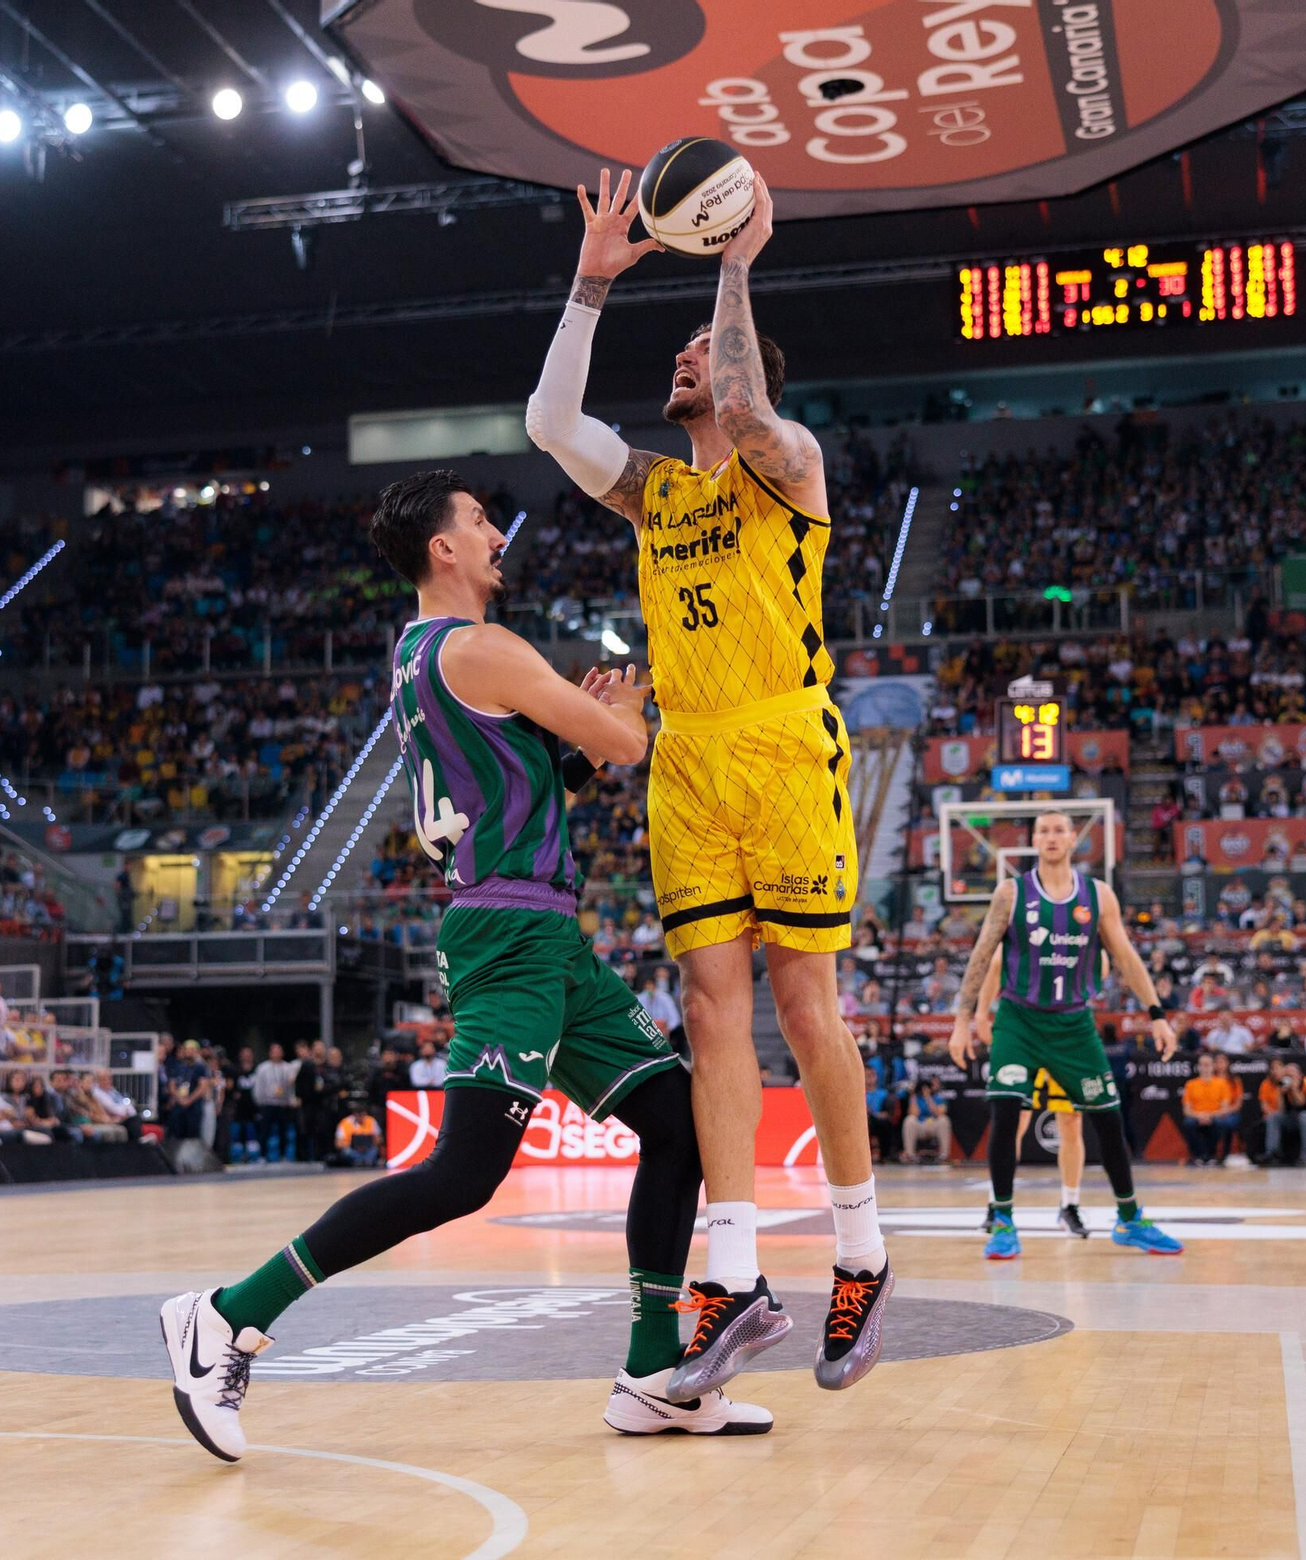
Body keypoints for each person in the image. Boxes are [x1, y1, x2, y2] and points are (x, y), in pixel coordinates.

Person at [162, 469, 770, 1465]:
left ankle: (654, 1376)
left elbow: (529, 779)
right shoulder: (480, 648)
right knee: (462, 1175)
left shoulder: (420, 658)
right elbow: (622, 745)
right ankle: (229, 1314)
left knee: (677, 1124)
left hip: (543, 937)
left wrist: (573, 731)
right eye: (481, 522)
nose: (498, 535)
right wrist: (622, 705)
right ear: (442, 548)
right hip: (510, 934)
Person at [526, 167, 890, 1393]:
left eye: (702, 347)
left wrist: (733, 260)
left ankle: (860, 1254)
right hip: (686, 755)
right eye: (681, 346)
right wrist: (589, 287)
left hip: (784, 742)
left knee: (805, 1009)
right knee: (710, 1012)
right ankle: (730, 1281)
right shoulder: (653, 493)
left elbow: (740, 399)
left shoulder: (785, 462)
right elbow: (549, 428)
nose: (686, 360)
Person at [949, 812, 1183, 1257]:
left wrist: (1156, 1013)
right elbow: (982, 958)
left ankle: (1129, 1218)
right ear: (1032, 840)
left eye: (1060, 830)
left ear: (1074, 839)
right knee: (1004, 1114)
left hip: (1074, 1024)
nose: (1052, 837)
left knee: (1108, 1118)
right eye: (1043, 830)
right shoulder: (1011, 892)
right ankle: (1002, 1219)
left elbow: (1128, 958)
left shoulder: (1098, 896)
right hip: (1019, 1020)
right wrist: (963, 1020)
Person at [976, 951, 1088, 1235]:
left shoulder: (1075, 921)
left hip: (1065, 1031)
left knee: (1071, 1123)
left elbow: (1102, 965)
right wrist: (981, 1014)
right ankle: (997, 1204)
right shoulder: (1025, 916)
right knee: (1013, 1121)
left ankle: (1070, 1205)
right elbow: (997, 962)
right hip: (1024, 1031)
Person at [1263, 1061, 1306, 1166]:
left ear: (1299, 1074)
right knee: (1274, 1117)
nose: (1288, 1078)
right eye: (1286, 1075)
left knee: (1304, 1116)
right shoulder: (1285, 1087)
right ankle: (1272, 1154)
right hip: (1295, 1118)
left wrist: (1294, 1089)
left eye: (1291, 1075)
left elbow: (1303, 1104)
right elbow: (1281, 1110)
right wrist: (1280, 1093)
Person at [1182, 1053, 1233, 1166]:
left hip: (1215, 1116)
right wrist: (1199, 1115)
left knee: (1221, 1123)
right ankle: (1197, 1155)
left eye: (1207, 1065)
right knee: (1188, 1123)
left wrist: (1209, 1115)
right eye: (1202, 1065)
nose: (1205, 1068)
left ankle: (1212, 1154)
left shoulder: (1222, 1083)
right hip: (1197, 1116)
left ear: (1213, 1066)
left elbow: (1225, 1109)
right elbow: (1186, 1110)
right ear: (1198, 1067)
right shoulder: (1191, 1084)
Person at [901, 1079, 951, 1165]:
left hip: (934, 1126)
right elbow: (914, 1113)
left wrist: (928, 1097)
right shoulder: (915, 1098)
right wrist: (913, 1095)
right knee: (909, 1120)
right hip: (920, 1126)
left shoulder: (939, 1098)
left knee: (944, 1120)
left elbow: (938, 1113)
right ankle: (910, 1155)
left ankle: (944, 1156)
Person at [1211, 1051, 1246, 1162]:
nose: (1220, 1065)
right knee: (1215, 1121)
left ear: (1228, 1064)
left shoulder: (1235, 1080)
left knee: (1226, 1123)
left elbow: (1238, 1104)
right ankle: (1211, 1152)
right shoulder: (1210, 1080)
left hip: (1231, 1113)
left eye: (1222, 1062)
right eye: (1217, 1062)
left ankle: (1224, 1152)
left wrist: (1224, 1112)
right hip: (1213, 1112)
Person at [331, 1100, 383, 1168]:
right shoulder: (345, 1123)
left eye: (363, 1114)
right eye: (358, 1115)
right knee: (347, 1152)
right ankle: (361, 1161)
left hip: (367, 1150)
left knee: (374, 1150)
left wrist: (370, 1143)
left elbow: (380, 1140)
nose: (361, 1117)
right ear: (354, 1114)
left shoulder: (371, 1121)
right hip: (352, 1151)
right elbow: (337, 1144)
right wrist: (353, 1145)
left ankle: (363, 1161)